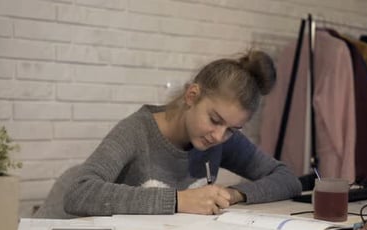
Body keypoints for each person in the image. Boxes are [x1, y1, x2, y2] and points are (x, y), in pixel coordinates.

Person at [34, 50, 302, 219]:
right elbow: (79, 193)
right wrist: (178, 200)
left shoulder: (218, 136)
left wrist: (232, 194)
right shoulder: (137, 130)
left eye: (232, 129)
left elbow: (287, 179)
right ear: (192, 95)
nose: (219, 136)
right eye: (215, 119)